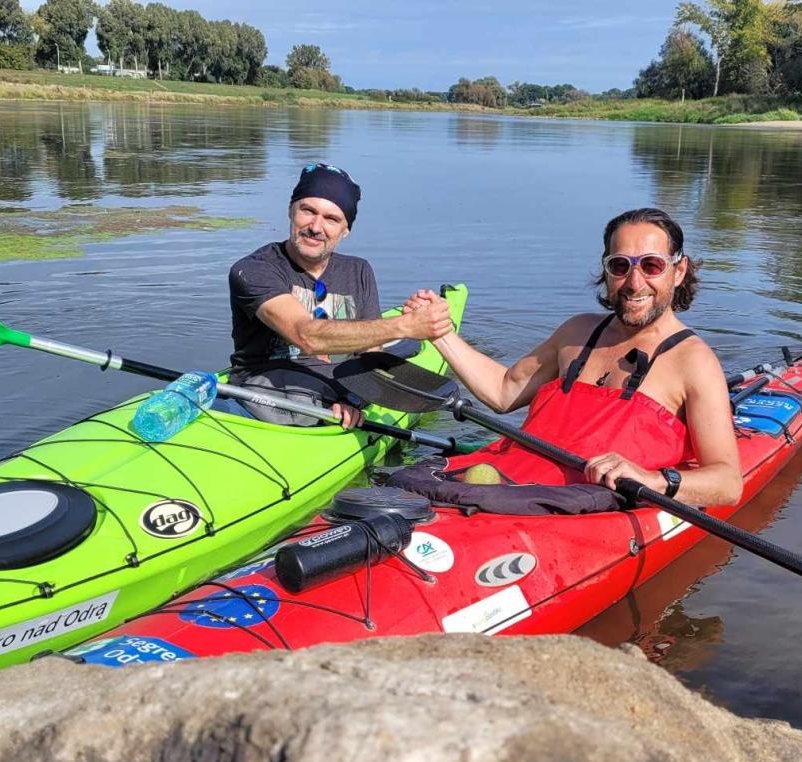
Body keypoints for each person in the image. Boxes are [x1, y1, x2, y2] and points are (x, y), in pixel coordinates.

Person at [400, 207, 742, 508]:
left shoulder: (693, 361)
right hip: (506, 489)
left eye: (652, 266)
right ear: (606, 270)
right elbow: (504, 392)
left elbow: (727, 483)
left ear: (678, 271)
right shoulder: (576, 333)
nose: (635, 282)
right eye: (620, 265)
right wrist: (440, 334)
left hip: (577, 512)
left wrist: (653, 480)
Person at [224, 162, 452, 427]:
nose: (316, 226)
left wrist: (354, 401)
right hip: (264, 394)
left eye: (332, 219)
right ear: (290, 210)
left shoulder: (359, 270)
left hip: (339, 397)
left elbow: (370, 355)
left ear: (346, 230)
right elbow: (305, 335)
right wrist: (406, 326)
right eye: (308, 211)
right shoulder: (254, 269)